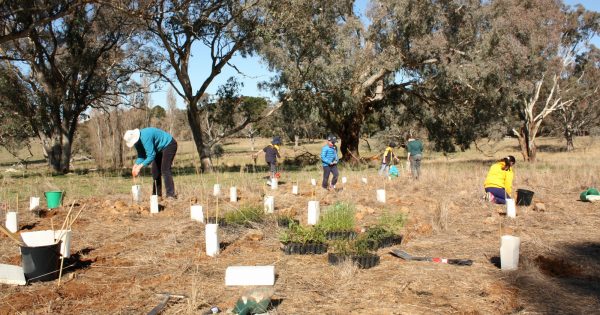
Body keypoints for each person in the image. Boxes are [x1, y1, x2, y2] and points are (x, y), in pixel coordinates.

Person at [124, 127, 178, 199]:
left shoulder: (145, 137)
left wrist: (139, 167)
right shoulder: (136, 143)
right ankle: (156, 195)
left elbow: (151, 155)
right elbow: (141, 155)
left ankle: (171, 195)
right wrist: (135, 165)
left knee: (165, 169)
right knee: (155, 172)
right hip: (158, 149)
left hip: (169, 144)